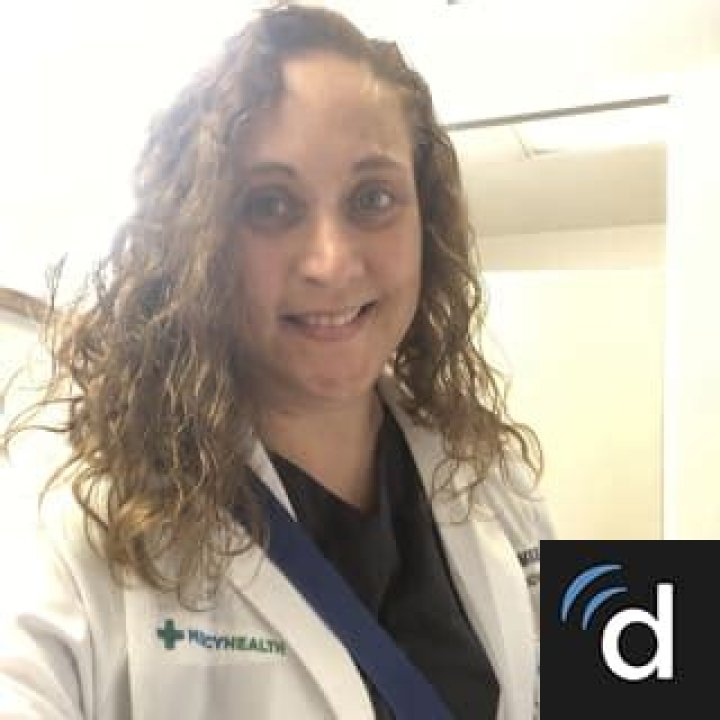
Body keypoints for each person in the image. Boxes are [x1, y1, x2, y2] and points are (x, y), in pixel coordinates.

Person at [0, 4, 553, 719]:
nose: (331, 262)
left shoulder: (493, 471)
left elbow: (635, 680)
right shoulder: (74, 514)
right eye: (270, 205)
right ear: (199, 241)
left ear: (427, 219)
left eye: (373, 197)